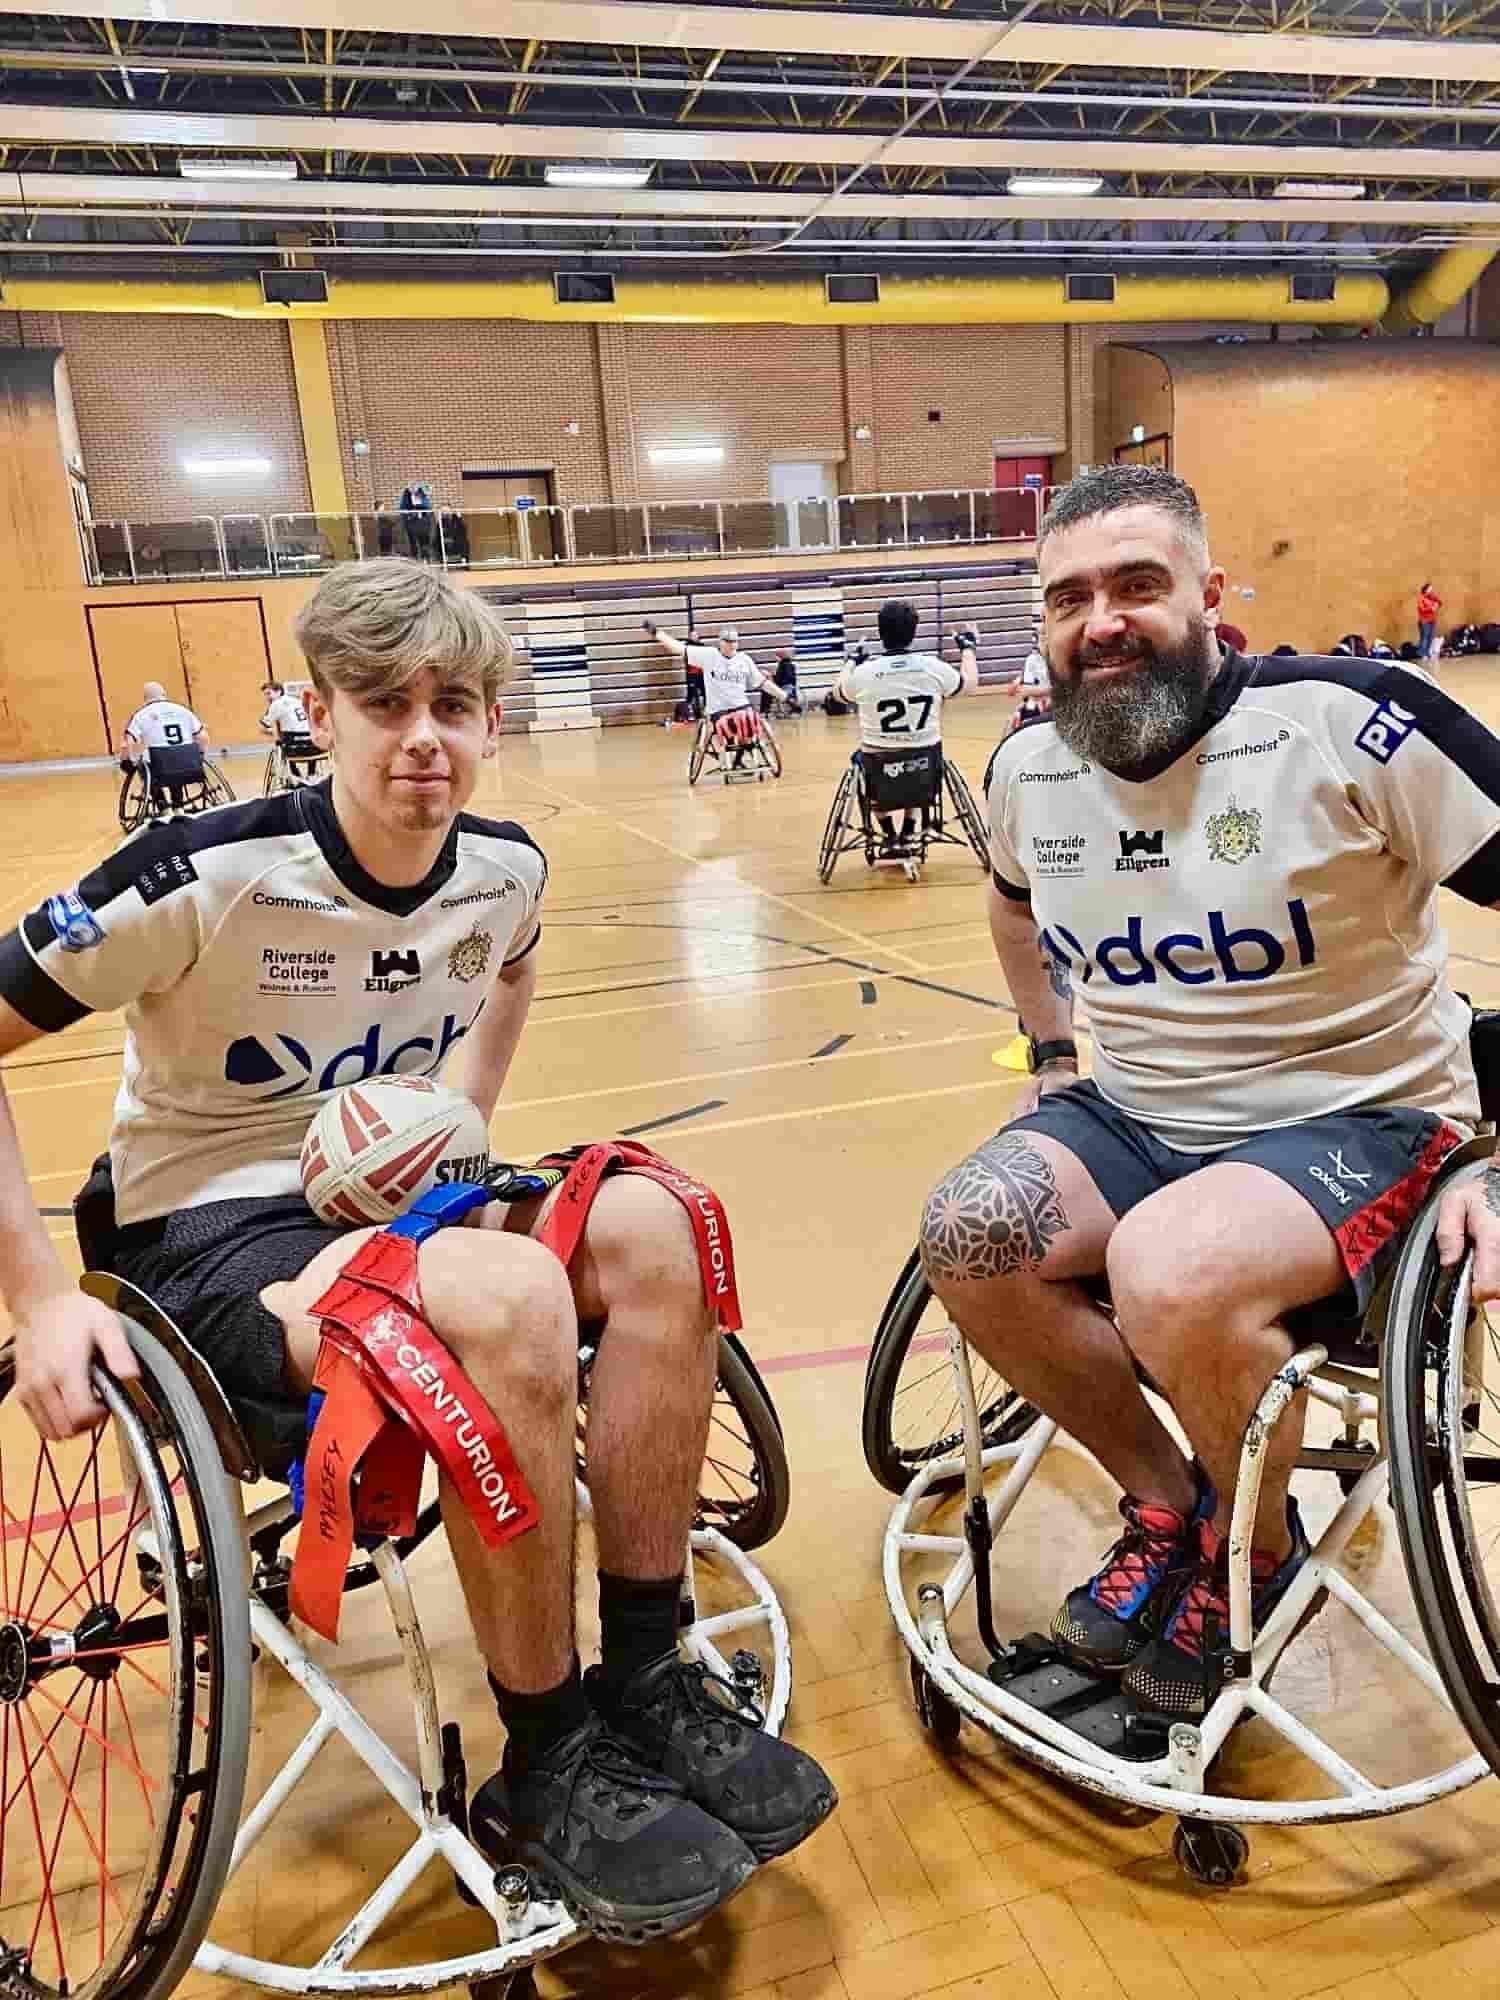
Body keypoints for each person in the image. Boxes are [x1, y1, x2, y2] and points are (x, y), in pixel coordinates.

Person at [0, 557, 833, 1942]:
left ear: (496, 724)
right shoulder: (197, 873)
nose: (423, 735)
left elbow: (512, 966)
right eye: (384, 703)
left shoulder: (506, 869)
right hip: (205, 1224)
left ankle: (644, 1668)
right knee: (507, 1294)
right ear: (318, 712)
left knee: (660, 1221)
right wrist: (35, 1295)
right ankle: (548, 1752)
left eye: (454, 703)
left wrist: (468, 1127)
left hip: (392, 1204)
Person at [919, 464, 1500, 1720]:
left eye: (1138, 584)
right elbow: (1012, 906)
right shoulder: (1031, 767)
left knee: (1170, 1268)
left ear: (1211, 596)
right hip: (1136, 1110)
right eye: (1068, 597)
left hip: (1364, 1116)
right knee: (969, 1228)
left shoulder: (1352, 719)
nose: (1103, 621)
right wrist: (1055, 1059)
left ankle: (1259, 1550)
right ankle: (1172, 1507)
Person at [831, 601, 978, 855]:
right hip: (925, 767)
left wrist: (852, 662)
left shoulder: (865, 674)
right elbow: (970, 685)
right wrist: (967, 649)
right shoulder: (932, 667)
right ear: (914, 631)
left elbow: (838, 693)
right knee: (915, 757)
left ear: (880, 632)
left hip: (879, 769)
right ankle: (910, 829)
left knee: (866, 765)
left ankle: (889, 834)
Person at [645, 621, 783, 764]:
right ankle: (727, 758)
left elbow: (763, 683)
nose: (731, 645)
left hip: (741, 706)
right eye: (728, 641)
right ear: (721, 642)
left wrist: (786, 698)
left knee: (750, 723)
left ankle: (740, 756)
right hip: (718, 709)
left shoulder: (744, 660)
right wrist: (657, 633)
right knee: (723, 728)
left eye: (734, 642)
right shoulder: (708, 655)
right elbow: (679, 648)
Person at [121, 681, 209, 810]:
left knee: (147, 767)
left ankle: (163, 807)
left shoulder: (140, 715)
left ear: (145, 699)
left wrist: (130, 761)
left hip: (161, 768)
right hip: (190, 766)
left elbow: (128, 744)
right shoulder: (184, 710)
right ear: (164, 694)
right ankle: (178, 806)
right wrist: (200, 756)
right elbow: (203, 737)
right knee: (177, 764)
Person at [259, 678, 320, 781]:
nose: (267, 697)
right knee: (304, 735)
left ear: (278, 692)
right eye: (265, 695)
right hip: (315, 747)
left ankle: (296, 776)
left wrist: (273, 733)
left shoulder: (276, 704)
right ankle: (311, 773)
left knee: (283, 742)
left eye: (269, 693)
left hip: (294, 750)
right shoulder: (297, 700)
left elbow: (264, 726)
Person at [1418, 581, 1443, 661]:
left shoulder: (1432, 597)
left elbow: (1440, 603)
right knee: (1424, 637)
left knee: (1430, 637)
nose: (1431, 590)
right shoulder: (1421, 598)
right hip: (1424, 620)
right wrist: (1431, 608)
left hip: (1433, 620)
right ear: (1425, 589)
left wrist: (1437, 603)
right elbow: (1421, 609)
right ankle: (1422, 654)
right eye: (1430, 588)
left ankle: (1427, 652)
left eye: (1431, 589)